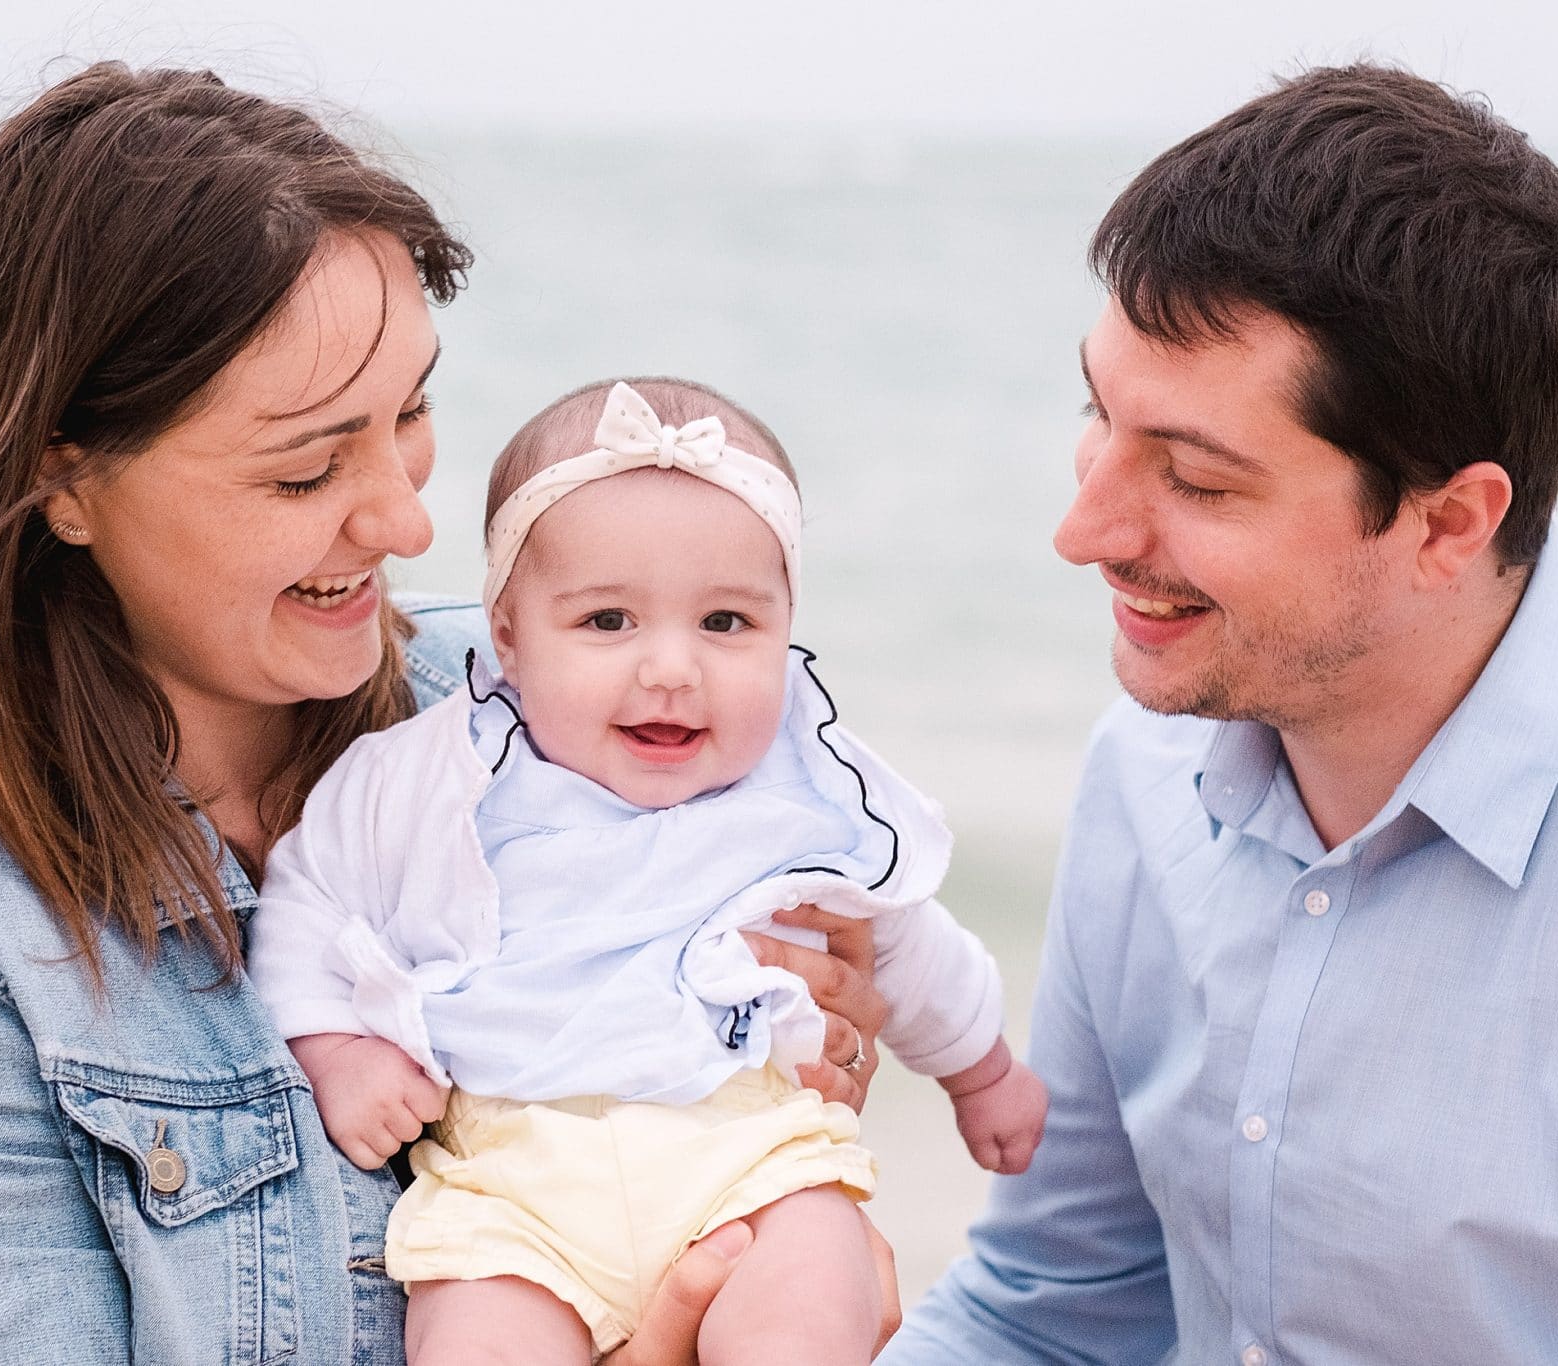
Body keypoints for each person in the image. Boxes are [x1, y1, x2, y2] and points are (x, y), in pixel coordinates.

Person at [0, 62, 895, 1364]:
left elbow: (806, 1006)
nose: (406, 517)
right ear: (62, 478)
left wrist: (800, 1028)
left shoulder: (556, 704)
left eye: (412, 411)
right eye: (305, 468)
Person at [887, 63, 1558, 1365]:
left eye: (1195, 478)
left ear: (1449, 522)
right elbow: (1055, 1309)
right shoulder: (1148, 765)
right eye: (1097, 417)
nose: (1082, 530)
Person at [246, 377, 1049, 1363]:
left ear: (786, 624)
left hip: (748, 1163)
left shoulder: (794, 798)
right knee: (475, 1338)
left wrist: (983, 1072)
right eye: (607, 622)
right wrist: (340, 1052)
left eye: (724, 624)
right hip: (508, 1190)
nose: (671, 668)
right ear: (506, 635)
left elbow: (906, 941)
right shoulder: (431, 779)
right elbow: (307, 911)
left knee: (806, 1296)